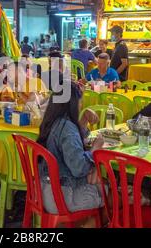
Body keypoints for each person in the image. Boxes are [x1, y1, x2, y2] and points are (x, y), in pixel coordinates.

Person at [37, 81, 104, 224]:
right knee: (108, 192)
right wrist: (95, 148)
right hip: (60, 197)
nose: (80, 106)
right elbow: (79, 168)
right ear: (72, 104)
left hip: (42, 191)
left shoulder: (51, 121)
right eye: (80, 103)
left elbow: (68, 141)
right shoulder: (67, 128)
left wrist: (84, 120)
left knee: (94, 177)